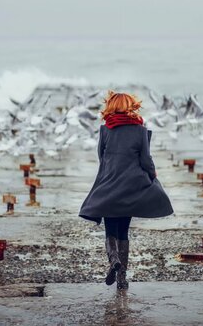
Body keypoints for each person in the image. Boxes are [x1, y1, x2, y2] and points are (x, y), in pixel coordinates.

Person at [78, 90, 174, 290]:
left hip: (110, 186)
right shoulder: (140, 130)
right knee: (124, 231)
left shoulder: (105, 130)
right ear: (131, 107)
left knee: (110, 229)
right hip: (132, 186)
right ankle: (122, 280)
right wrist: (152, 174)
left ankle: (114, 261)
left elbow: (101, 158)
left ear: (111, 107)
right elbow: (146, 160)